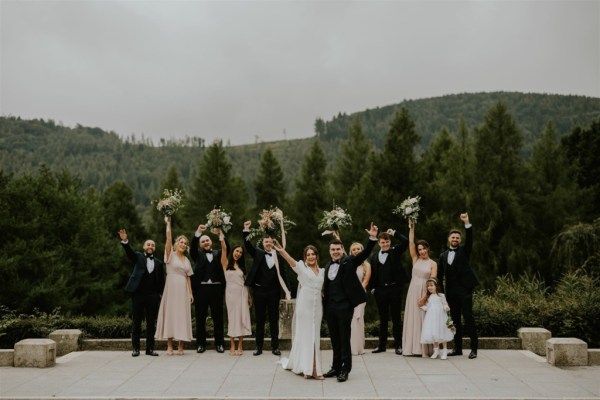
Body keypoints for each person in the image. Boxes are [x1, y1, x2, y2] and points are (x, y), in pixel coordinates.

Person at [323, 223, 378, 383]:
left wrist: (372, 237)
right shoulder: (327, 266)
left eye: (338, 249)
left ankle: (345, 369)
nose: (335, 252)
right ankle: (335, 367)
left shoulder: (349, 262)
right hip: (331, 307)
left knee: (344, 338)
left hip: (345, 306)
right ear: (330, 251)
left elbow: (365, 253)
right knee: (334, 338)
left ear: (342, 250)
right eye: (333, 249)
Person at [275, 242, 324, 379]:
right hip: (305, 308)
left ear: (317, 256)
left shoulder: (323, 272)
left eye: (313, 254)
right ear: (305, 257)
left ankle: (312, 366)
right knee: (306, 336)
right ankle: (309, 369)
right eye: (308, 255)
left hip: (318, 307)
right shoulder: (302, 268)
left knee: (315, 337)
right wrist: (281, 250)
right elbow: (291, 261)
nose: (310, 257)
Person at [243, 220, 290, 356]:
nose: (268, 243)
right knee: (260, 320)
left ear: (273, 243)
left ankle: (275, 347)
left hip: (274, 291)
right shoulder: (257, 253)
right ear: (262, 243)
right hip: (259, 291)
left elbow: (284, 274)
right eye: (266, 242)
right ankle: (259, 347)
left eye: (270, 242)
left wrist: (288, 290)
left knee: (274, 319)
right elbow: (247, 245)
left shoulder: (279, 256)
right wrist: (246, 230)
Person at [437, 212, 479, 359]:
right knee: (454, 321)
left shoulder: (464, 251)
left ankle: (474, 349)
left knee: (468, 318)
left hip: (465, 290)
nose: (455, 239)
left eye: (457, 238)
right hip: (451, 292)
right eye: (453, 237)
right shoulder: (442, 256)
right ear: (449, 239)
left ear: (459, 240)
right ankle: (458, 349)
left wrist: (467, 223)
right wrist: (441, 294)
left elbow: (471, 240)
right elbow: (439, 276)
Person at [118, 229, 165, 357]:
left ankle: (150, 349)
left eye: (152, 245)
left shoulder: (159, 263)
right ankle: (136, 349)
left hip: (153, 296)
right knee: (136, 322)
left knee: (151, 323)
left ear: (154, 248)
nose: (150, 246)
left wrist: (160, 295)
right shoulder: (138, 256)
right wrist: (125, 241)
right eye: (148, 244)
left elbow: (161, 281)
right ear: (144, 247)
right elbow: (129, 253)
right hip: (138, 294)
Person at [155, 216, 194, 355]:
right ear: (177, 243)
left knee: (182, 315)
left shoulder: (187, 261)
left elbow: (189, 278)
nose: (183, 244)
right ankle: (169, 345)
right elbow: (168, 239)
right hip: (171, 288)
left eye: (185, 243)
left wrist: (190, 293)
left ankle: (181, 346)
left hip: (183, 288)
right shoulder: (170, 255)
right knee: (171, 314)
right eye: (181, 242)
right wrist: (168, 224)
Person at [368, 228, 409, 355]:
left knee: (396, 318)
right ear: (379, 243)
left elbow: (406, 242)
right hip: (380, 291)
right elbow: (372, 274)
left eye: (387, 242)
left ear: (389, 242)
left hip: (394, 289)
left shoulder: (395, 251)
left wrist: (395, 233)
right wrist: (373, 288)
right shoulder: (374, 256)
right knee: (383, 319)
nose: (385, 244)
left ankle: (398, 346)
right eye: (382, 242)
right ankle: (381, 346)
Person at [190, 224, 228, 354]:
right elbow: (192, 249)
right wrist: (198, 233)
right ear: (200, 245)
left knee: (218, 317)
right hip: (201, 289)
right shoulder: (198, 255)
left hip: (217, 288)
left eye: (207, 240)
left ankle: (220, 344)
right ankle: (200, 344)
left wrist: (220, 234)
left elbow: (226, 247)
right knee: (200, 318)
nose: (205, 242)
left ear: (211, 242)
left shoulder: (218, 253)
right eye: (203, 241)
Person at [402, 219, 437, 357]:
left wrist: (425, 297)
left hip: (424, 291)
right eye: (419, 249)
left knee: (423, 319)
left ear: (428, 248)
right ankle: (411, 348)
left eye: (423, 248)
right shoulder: (415, 259)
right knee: (412, 318)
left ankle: (424, 349)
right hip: (412, 291)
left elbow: (432, 281)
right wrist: (412, 227)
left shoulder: (433, 263)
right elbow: (411, 242)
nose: (421, 251)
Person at [219, 234, 252, 355]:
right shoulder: (225, 263)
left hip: (242, 293)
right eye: (237, 251)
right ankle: (232, 345)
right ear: (232, 251)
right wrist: (221, 237)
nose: (238, 253)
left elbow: (246, 283)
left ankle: (240, 346)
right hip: (231, 294)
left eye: (240, 252)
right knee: (232, 318)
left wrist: (249, 297)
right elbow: (223, 248)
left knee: (241, 317)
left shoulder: (242, 268)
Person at [420, 278, 454, 359]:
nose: (429, 287)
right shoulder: (429, 297)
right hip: (431, 318)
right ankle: (436, 351)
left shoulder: (441, 295)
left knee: (442, 333)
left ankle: (445, 351)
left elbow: (445, 304)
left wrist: (446, 307)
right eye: (428, 286)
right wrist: (422, 307)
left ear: (436, 286)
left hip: (440, 317)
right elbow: (428, 307)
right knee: (434, 334)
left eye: (431, 285)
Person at [349, 242, 371, 356]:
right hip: (349, 296)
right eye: (354, 249)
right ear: (351, 252)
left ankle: (358, 348)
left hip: (361, 295)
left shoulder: (366, 265)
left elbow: (366, 281)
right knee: (351, 321)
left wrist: (357, 293)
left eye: (358, 249)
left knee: (358, 320)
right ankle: (351, 347)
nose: (356, 251)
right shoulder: (349, 263)